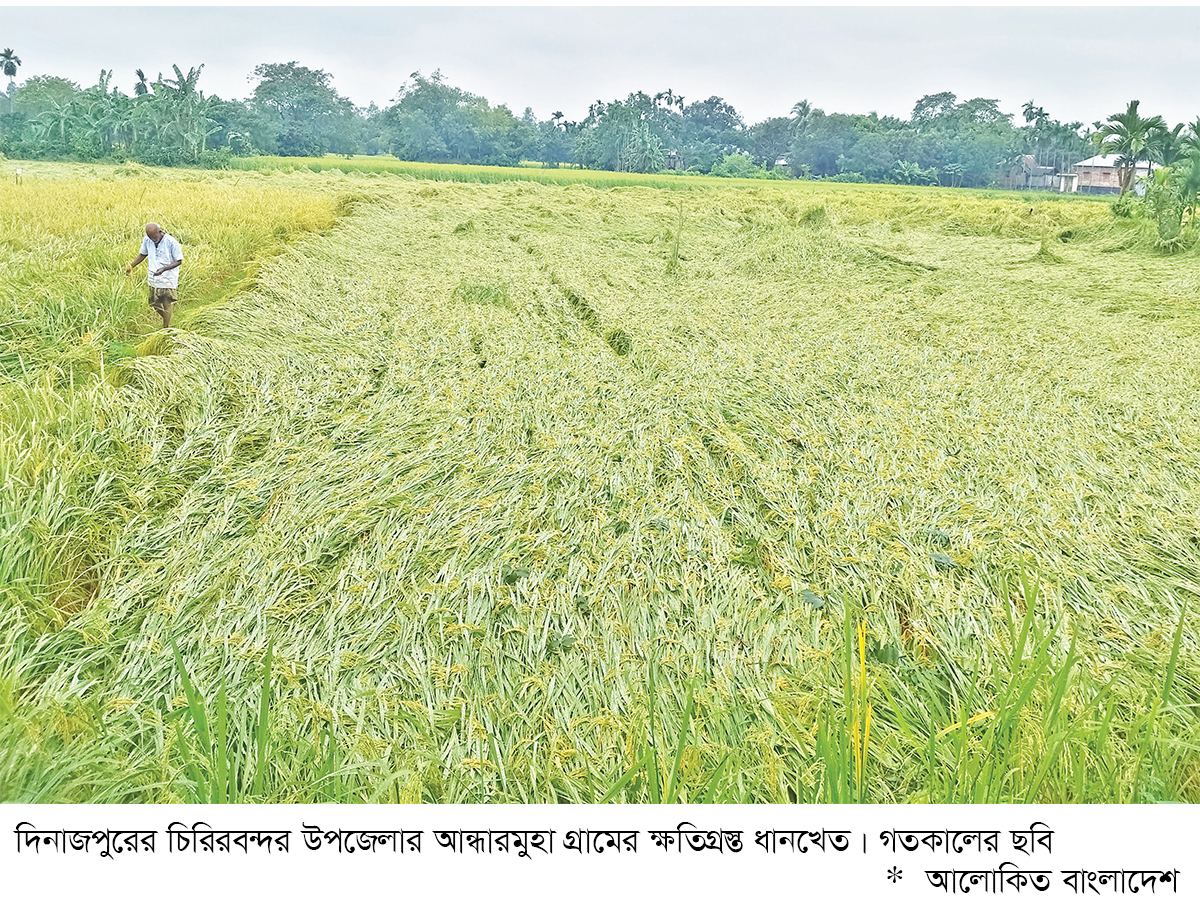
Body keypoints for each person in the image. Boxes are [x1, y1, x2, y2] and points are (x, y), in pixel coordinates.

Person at [125, 222, 183, 328]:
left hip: (168, 277)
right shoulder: (147, 240)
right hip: (153, 277)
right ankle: (166, 319)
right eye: (150, 237)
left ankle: (165, 327)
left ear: (160, 232)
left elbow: (179, 261)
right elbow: (143, 254)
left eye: (154, 236)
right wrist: (131, 266)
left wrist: (163, 269)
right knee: (153, 303)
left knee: (166, 302)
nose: (152, 239)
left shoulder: (171, 242)